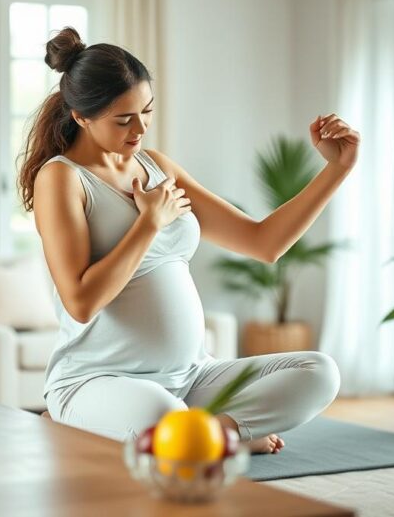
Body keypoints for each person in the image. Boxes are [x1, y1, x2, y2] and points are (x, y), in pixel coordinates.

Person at [20, 27, 351, 454]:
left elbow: (264, 243)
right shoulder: (62, 178)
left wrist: (336, 170)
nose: (139, 129)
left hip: (192, 377)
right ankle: (208, 437)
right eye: (123, 119)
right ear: (81, 116)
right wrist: (148, 224)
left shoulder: (155, 166)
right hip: (99, 381)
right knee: (161, 419)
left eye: (147, 111)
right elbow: (80, 303)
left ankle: (208, 437)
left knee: (319, 372)